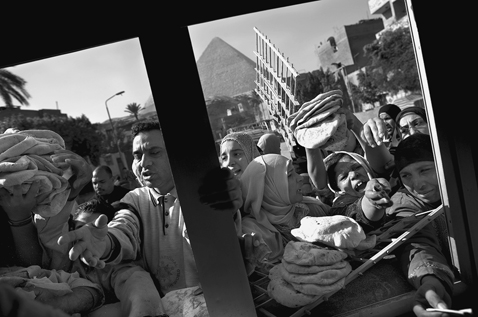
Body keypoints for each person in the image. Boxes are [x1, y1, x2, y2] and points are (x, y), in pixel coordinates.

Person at [56, 120, 256, 312]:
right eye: (137, 155)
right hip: (168, 309)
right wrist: (105, 242)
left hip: (216, 304)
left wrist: (226, 198)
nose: (144, 162)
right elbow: (124, 227)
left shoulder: (198, 191)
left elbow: (217, 222)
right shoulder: (134, 199)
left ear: (174, 155)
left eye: (154, 152)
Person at [386, 133, 456, 317]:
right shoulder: (403, 204)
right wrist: (430, 279)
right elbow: (416, 241)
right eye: (406, 175)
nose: (418, 185)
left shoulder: (464, 182)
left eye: (425, 170)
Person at [70, 199, 164, 317]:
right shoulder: (67, 262)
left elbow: (140, 290)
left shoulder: (120, 268)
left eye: (95, 229)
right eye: (81, 227)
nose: (88, 235)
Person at [240, 154, 330, 272]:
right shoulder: (252, 233)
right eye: (290, 175)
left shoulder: (311, 209)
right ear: (267, 187)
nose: (300, 178)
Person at [323, 151, 393, 233]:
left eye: (356, 167)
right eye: (344, 177)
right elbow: (356, 213)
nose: (353, 175)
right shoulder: (338, 212)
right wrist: (372, 200)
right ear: (338, 189)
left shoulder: (394, 178)